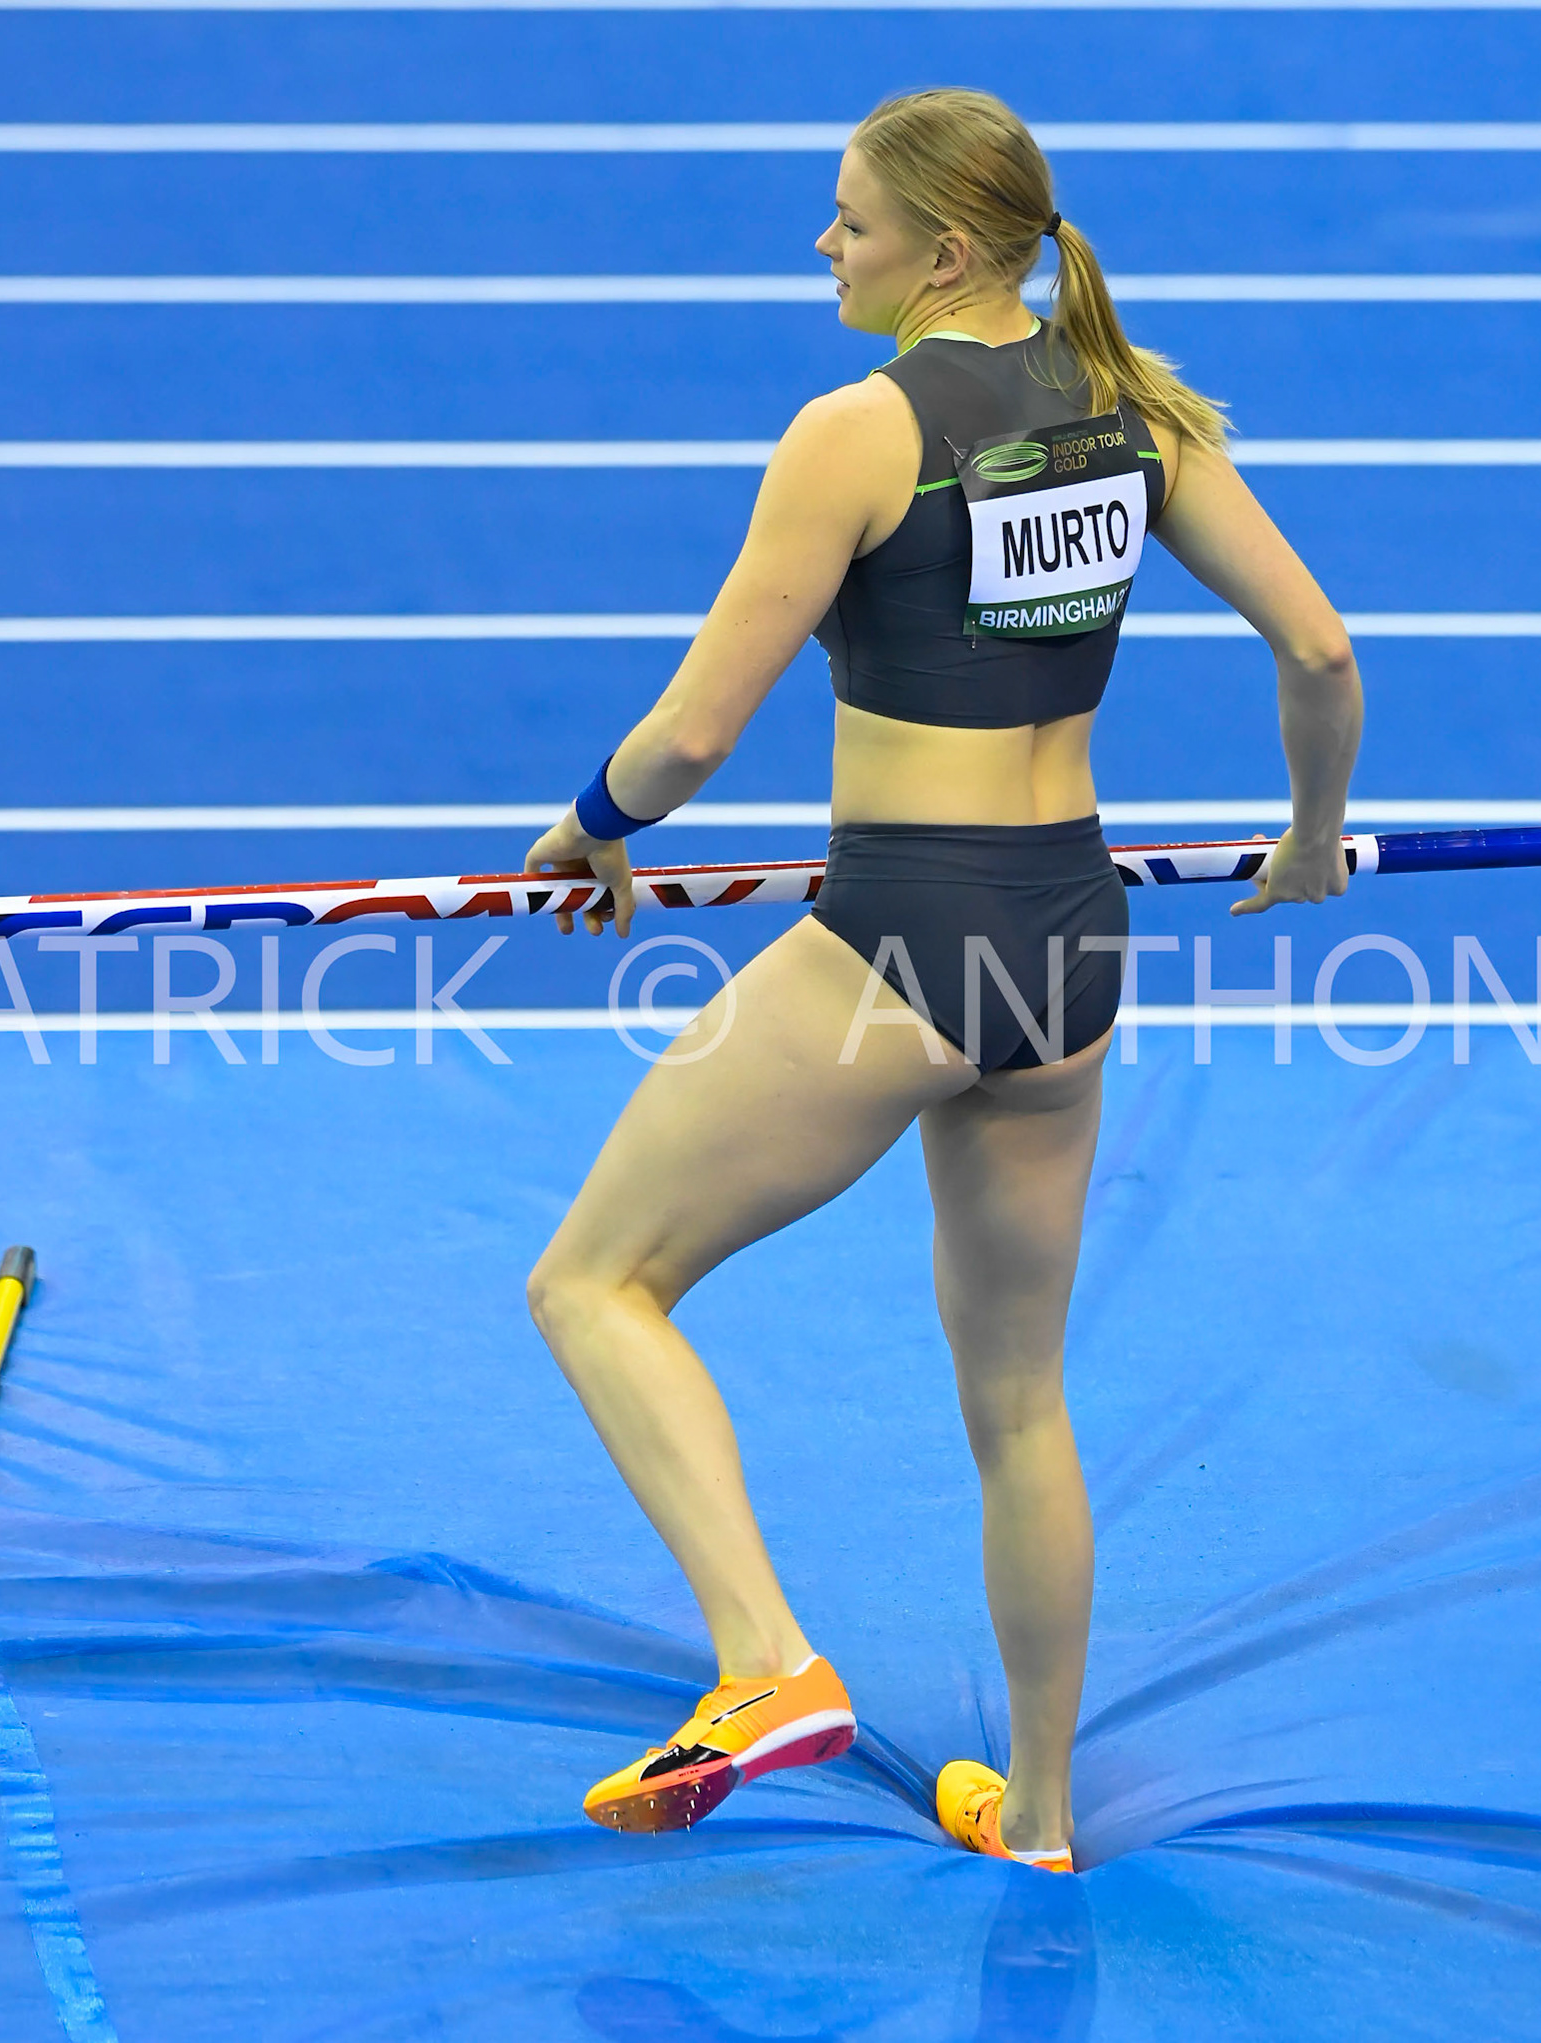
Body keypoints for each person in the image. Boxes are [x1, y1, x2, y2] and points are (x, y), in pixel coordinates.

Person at [524, 87, 1363, 1872]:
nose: (826, 247)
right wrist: (1307, 840)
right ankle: (1045, 1821)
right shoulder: (1134, 412)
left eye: (848, 221)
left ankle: (764, 1664)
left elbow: (690, 735)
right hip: (1069, 940)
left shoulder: (859, 430)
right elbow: (1319, 642)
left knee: (596, 1282)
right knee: (1021, 1403)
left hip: (910, 930)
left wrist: (593, 825)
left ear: (946, 250)